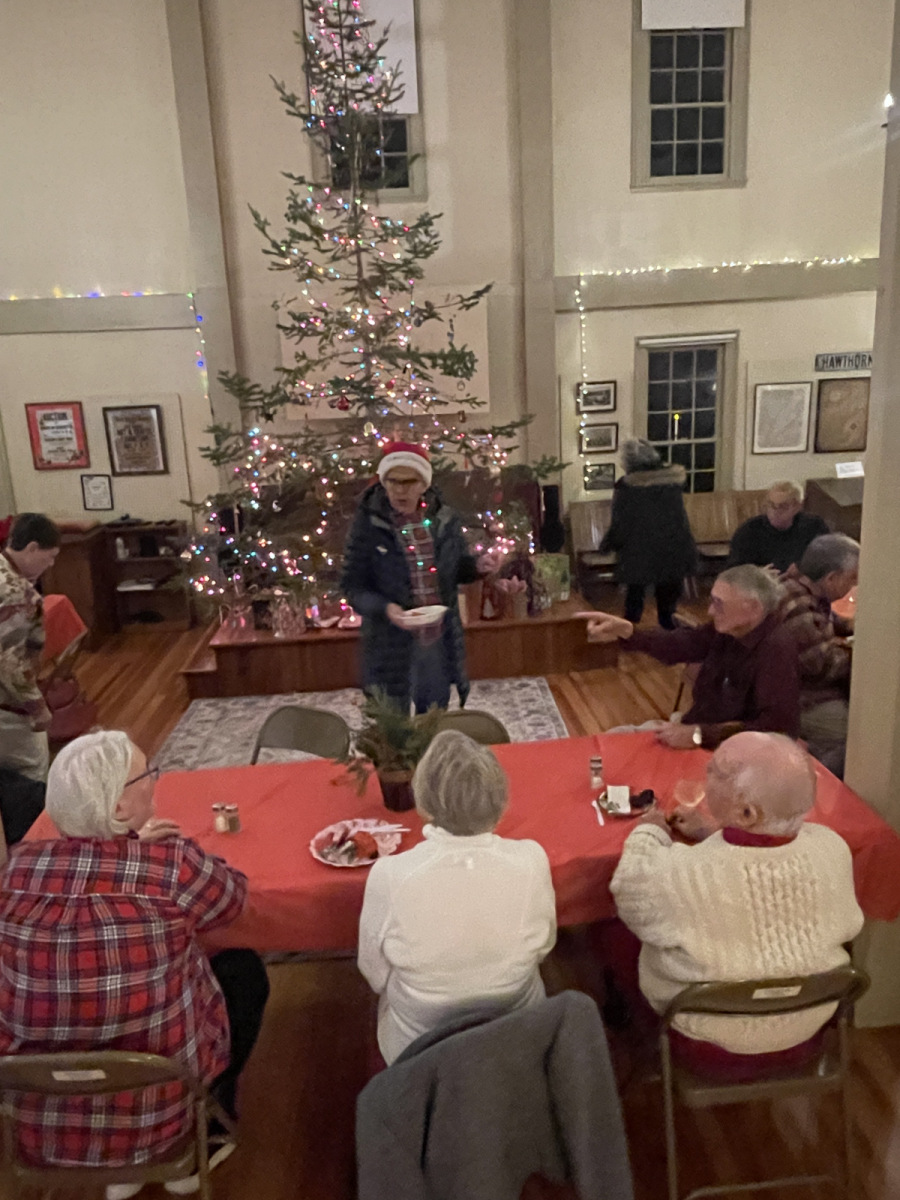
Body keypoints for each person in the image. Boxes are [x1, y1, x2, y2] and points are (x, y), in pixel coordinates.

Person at [0, 731, 269, 1198]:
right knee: (242, 970)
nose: (154, 780)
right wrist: (143, 851)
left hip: (45, 1123)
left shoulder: (15, 871)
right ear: (120, 808)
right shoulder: (171, 865)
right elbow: (233, 899)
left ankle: (119, 1164)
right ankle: (202, 1124)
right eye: (148, 774)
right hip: (160, 1109)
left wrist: (122, 847)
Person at [610, 732, 864, 1076]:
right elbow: (758, 863)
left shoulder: (681, 872)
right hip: (809, 1025)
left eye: (718, 772)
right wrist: (714, 831)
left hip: (708, 1039)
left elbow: (628, 891)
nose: (706, 773)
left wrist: (649, 832)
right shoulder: (833, 849)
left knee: (613, 933)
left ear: (745, 812)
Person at [358, 729, 557, 1064]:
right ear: (499, 799)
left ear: (424, 799)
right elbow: (544, 946)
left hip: (420, 1044)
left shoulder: (389, 875)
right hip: (516, 1032)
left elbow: (374, 973)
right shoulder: (532, 859)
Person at [341, 442, 497, 713]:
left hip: (435, 638)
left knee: (433, 718)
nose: (400, 490)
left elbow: (457, 570)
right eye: (393, 481)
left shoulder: (444, 520)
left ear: (423, 484)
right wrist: (385, 608)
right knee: (392, 723)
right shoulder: (369, 524)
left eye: (409, 482)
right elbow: (352, 586)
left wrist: (478, 566)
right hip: (388, 643)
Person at [586, 564, 800, 748]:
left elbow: (776, 730)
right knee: (607, 742)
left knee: (616, 751)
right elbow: (681, 644)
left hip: (729, 751)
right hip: (695, 729)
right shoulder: (729, 629)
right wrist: (630, 632)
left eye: (719, 603)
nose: (710, 611)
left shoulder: (775, 649)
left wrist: (699, 736)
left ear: (753, 608)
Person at [779, 533, 859, 777]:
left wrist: (850, 628)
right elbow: (820, 665)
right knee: (856, 737)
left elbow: (825, 623)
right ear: (831, 578)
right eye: (852, 577)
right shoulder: (798, 604)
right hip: (794, 697)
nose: (854, 585)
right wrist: (860, 656)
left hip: (798, 686)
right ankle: (813, 780)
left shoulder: (800, 588)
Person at [598, 439, 696, 628]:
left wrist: (607, 545)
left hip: (640, 550)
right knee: (668, 604)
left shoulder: (628, 487)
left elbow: (621, 522)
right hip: (673, 546)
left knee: (634, 599)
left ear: (629, 462)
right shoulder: (672, 482)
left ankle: (629, 633)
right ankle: (671, 635)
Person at [0, 513, 61, 781]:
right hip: (6, 707)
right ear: (33, 548)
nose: (51, 564)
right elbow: (10, 663)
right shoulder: (15, 592)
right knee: (32, 771)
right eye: (50, 556)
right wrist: (38, 708)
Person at [727, 481, 829, 573]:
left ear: (797, 506)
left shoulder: (814, 526)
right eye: (771, 505)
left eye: (782, 506)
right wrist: (759, 574)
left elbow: (827, 557)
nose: (775, 511)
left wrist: (802, 568)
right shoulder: (749, 530)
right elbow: (734, 570)